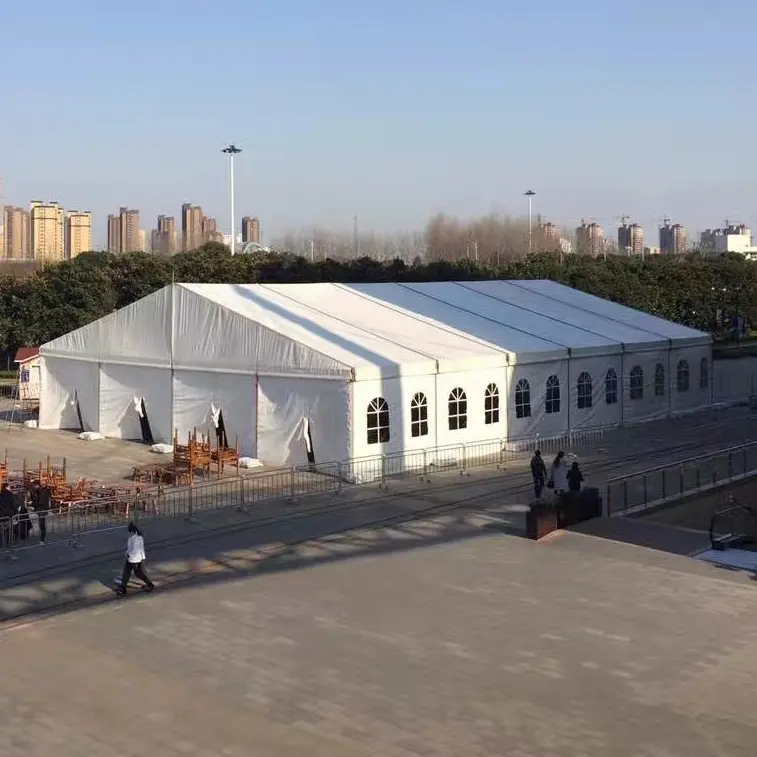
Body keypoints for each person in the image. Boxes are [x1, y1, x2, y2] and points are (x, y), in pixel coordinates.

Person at [117, 523, 155, 596]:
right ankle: (123, 588)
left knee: (138, 573)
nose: (128, 533)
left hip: (135, 559)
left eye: (129, 532)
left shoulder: (136, 539)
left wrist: (128, 554)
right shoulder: (135, 537)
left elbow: (136, 549)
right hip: (131, 559)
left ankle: (150, 584)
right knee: (126, 573)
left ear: (132, 531)